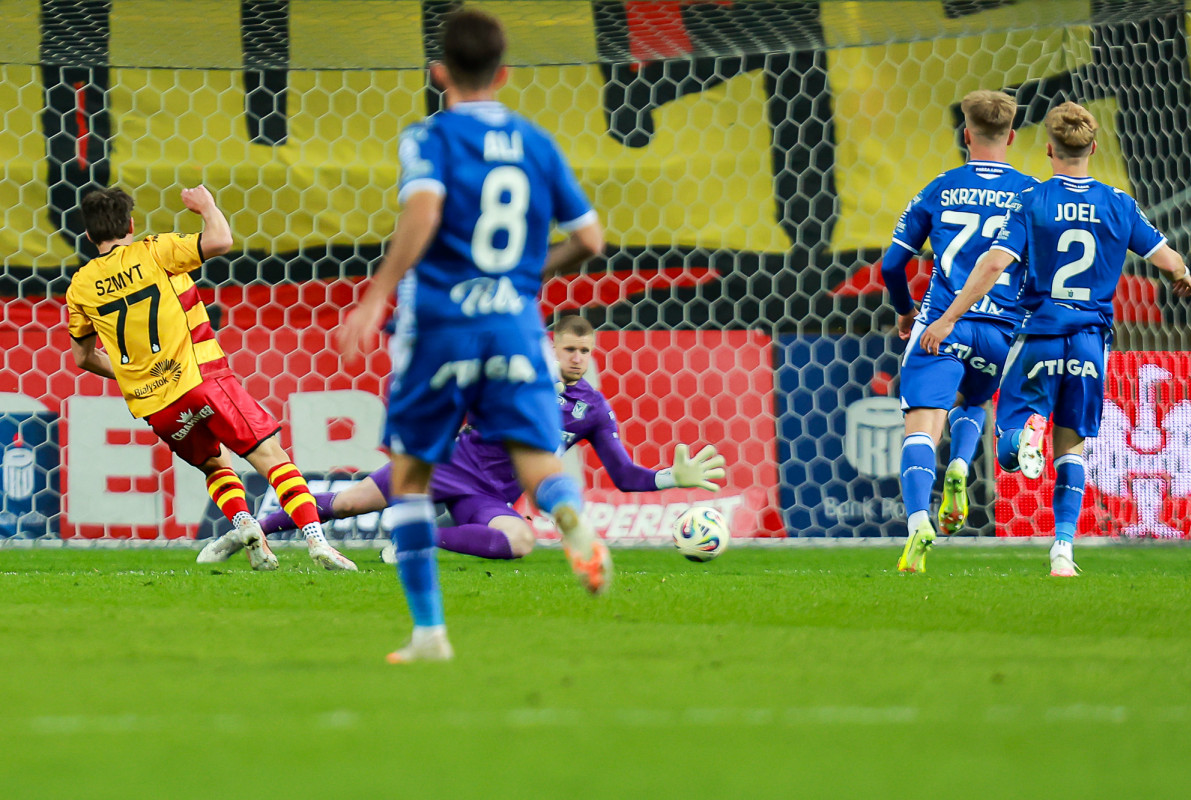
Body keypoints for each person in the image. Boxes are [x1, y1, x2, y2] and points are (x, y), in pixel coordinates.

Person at [335, 9, 610, 664]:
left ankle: (429, 633)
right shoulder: (536, 142)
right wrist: (523, 277)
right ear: (504, 73)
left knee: (410, 477)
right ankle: (570, 518)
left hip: (442, 325)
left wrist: (375, 294)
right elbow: (590, 239)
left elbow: (424, 208)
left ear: (439, 73)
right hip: (514, 326)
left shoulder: (429, 136)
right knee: (538, 462)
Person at [920, 101, 1191, 576]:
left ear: (1049, 149)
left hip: (1040, 334)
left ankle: (1026, 432)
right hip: (1090, 341)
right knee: (1072, 448)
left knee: (1008, 444)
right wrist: (1182, 273)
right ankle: (1063, 550)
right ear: (1094, 147)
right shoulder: (1118, 203)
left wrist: (948, 318)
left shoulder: (1032, 201)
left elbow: (994, 264)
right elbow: (1167, 259)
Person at [199, 315, 727, 562]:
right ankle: (247, 533)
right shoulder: (512, 376)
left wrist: (669, 478)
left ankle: (417, 540)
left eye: (585, 351)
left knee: (521, 541)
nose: (577, 359)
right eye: (569, 349)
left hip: (488, 497)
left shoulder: (592, 409)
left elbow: (624, 475)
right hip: (444, 466)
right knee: (348, 502)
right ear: (551, 347)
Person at [66, 186, 358, 572]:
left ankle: (246, 526)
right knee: (272, 457)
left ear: (89, 235)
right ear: (131, 224)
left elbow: (84, 357)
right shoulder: (156, 251)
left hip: (156, 403)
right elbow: (220, 240)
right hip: (202, 377)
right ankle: (317, 541)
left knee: (215, 466)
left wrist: (135, 373)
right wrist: (206, 206)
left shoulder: (81, 286)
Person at [883, 90, 1039, 573]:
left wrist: (906, 312)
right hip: (999, 331)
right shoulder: (1033, 193)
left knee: (921, 427)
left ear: (966, 134)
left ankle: (917, 524)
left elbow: (891, 265)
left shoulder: (940, 187)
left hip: (941, 324)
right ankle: (961, 463)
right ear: (1011, 137)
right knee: (974, 401)